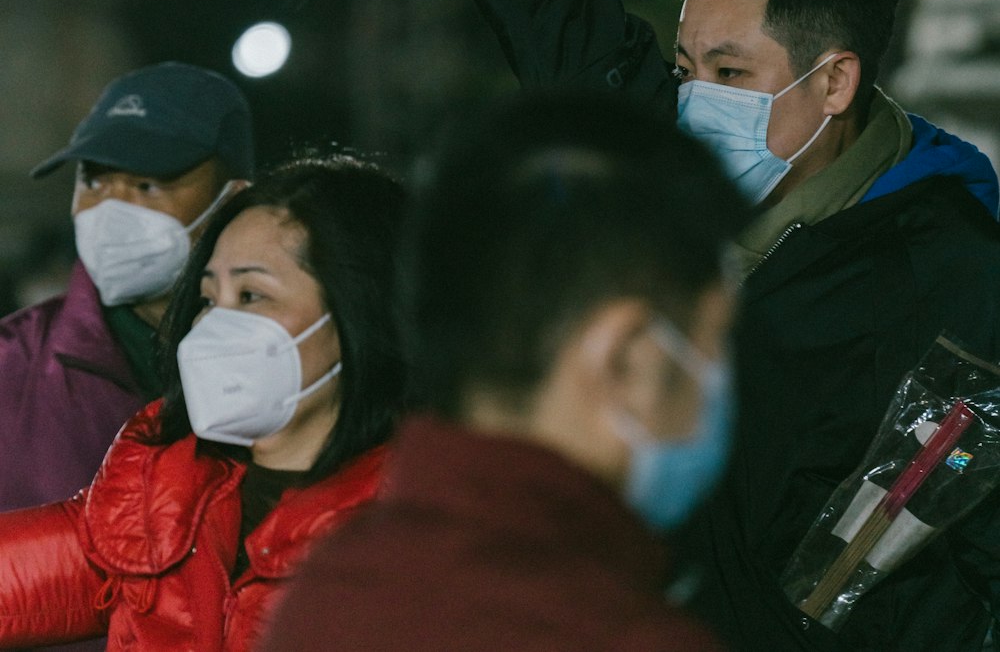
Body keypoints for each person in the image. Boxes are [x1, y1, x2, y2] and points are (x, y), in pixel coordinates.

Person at [364, 0, 1000, 652]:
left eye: (729, 70)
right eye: (683, 64)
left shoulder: (956, 275)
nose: (694, 95)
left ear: (832, 79)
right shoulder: (658, 168)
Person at [263, 90, 746, 652]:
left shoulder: (329, 590)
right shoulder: (626, 637)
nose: (722, 379)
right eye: (715, 341)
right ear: (628, 356)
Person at [0, 154, 407, 652]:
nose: (213, 327)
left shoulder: (420, 544)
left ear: (358, 315)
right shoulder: (166, 489)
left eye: (253, 296)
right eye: (211, 299)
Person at [0, 62, 254, 533]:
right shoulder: (12, 369)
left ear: (233, 199)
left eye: (147, 185)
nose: (110, 210)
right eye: (93, 181)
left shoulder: (292, 362)